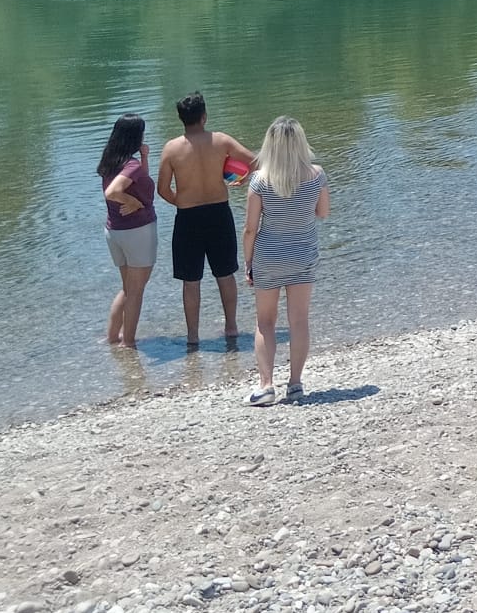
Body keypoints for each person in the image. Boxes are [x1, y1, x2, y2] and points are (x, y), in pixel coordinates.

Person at [242, 116, 329, 408]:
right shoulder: (317, 175)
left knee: (265, 322)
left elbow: (250, 228)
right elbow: (323, 213)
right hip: (303, 254)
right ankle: (295, 384)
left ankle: (266, 386)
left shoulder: (260, 181)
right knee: (299, 321)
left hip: (268, 256)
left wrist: (248, 262)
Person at [157, 92, 256, 346]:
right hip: (218, 212)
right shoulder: (221, 141)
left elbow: (163, 189)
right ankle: (231, 327)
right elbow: (255, 161)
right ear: (204, 116)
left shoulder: (171, 148)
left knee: (191, 281)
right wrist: (241, 178)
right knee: (225, 274)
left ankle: (192, 336)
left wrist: (181, 201)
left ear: (181, 119)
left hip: (188, 216)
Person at [98, 113, 157, 347]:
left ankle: (113, 336)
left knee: (127, 288)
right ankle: (129, 342)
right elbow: (113, 192)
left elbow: (139, 180)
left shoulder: (111, 161)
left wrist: (144, 157)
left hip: (115, 232)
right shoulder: (130, 165)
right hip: (138, 231)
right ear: (136, 136)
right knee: (136, 291)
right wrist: (132, 203)